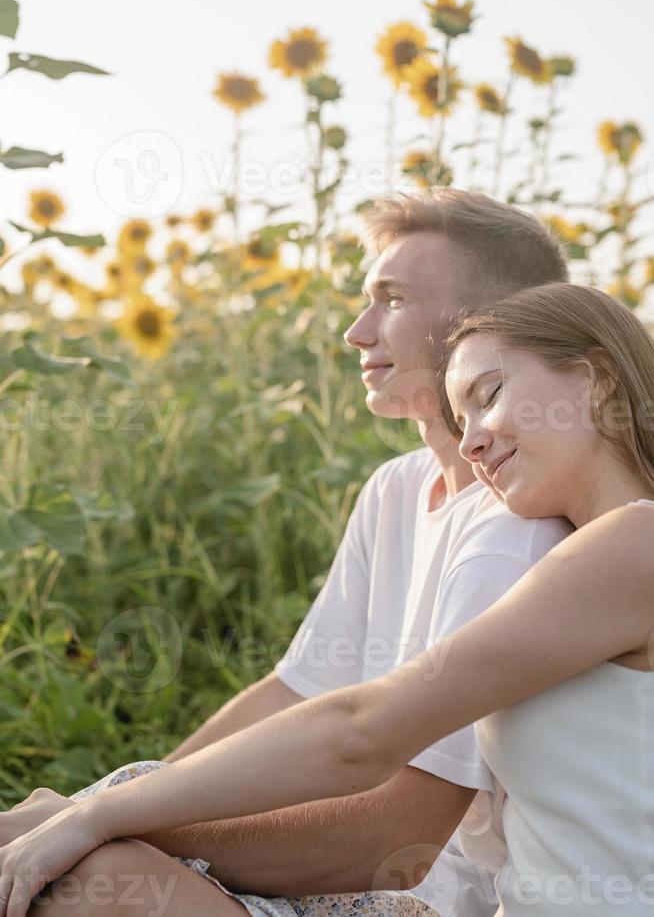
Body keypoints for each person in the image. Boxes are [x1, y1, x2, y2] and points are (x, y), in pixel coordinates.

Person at [0, 192, 573, 917]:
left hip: (427, 902)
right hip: (327, 876)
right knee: (45, 840)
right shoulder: (396, 487)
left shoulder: (515, 531)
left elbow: (399, 846)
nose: (355, 332)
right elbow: (297, 691)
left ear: (481, 328)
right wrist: (123, 797)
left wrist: (107, 821)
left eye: (391, 300)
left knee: (95, 884)